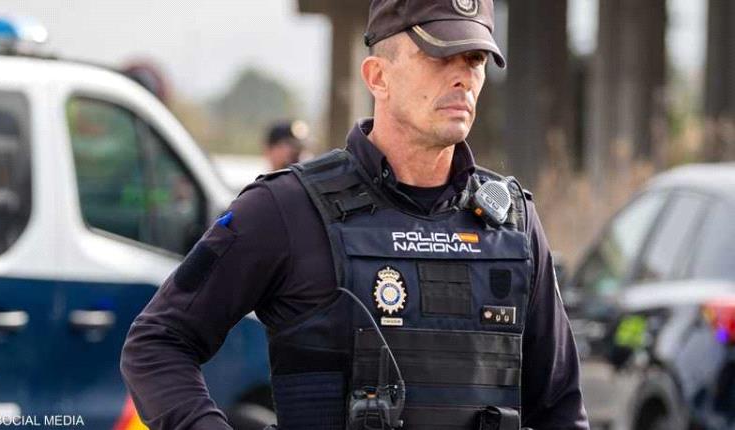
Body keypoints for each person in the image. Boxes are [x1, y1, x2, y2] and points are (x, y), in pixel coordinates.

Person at [120, 0, 589, 429]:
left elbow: (561, 409)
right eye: (439, 56)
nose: (463, 77)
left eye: (474, 59)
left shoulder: (513, 225)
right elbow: (158, 343)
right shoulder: (286, 209)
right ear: (377, 76)